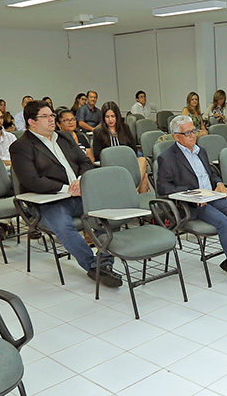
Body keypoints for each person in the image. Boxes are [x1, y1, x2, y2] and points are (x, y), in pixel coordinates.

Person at [11, 101, 121, 288]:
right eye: (45, 116)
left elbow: (85, 162)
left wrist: (80, 180)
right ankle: (94, 266)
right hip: (48, 201)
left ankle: (104, 262)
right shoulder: (21, 146)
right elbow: (31, 181)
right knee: (63, 225)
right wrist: (66, 188)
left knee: (108, 212)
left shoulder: (64, 137)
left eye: (52, 115)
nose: (51, 120)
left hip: (79, 194)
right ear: (31, 121)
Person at [157, 115, 227, 288]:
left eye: (193, 131)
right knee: (223, 222)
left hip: (212, 196)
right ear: (176, 136)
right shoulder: (167, 158)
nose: (193, 135)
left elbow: (211, 173)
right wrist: (191, 195)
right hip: (191, 204)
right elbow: (163, 189)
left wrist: (218, 183)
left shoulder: (200, 151)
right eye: (187, 133)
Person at [92, 102, 149, 193]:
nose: (110, 119)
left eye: (113, 116)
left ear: (117, 116)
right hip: (111, 166)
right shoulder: (98, 132)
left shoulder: (125, 128)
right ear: (103, 118)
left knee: (142, 160)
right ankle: (133, 193)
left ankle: (134, 191)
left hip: (127, 163)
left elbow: (133, 149)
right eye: (107, 117)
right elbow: (97, 155)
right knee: (144, 177)